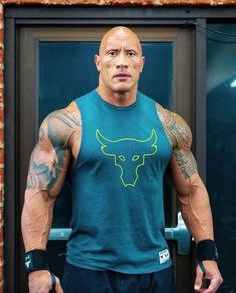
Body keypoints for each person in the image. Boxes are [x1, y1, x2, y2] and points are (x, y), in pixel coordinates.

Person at [21, 26, 223, 293]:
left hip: (155, 269)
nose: (121, 62)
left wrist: (207, 252)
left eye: (130, 54)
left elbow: (191, 190)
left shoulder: (168, 124)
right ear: (98, 62)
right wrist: (36, 266)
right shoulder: (67, 122)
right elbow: (41, 194)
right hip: (89, 269)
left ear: (141, 63)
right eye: (112, 53)